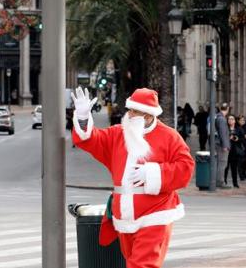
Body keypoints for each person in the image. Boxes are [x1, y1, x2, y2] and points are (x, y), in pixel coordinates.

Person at [71, 87, 194, 268]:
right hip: (124, 217)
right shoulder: (118, 133)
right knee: (131, 261)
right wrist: (82, 119)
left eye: (135, 111)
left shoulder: (169, 136)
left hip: (156, 214)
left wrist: (152, 173)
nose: (129, 114)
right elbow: (92, 140)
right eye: (129, 110)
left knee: (141, 265)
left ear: (148, 115)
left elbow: (186, 168)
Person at [224, 115, 245, 188]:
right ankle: (224, 181)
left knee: (234, 168)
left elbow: (243, 139)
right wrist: (228, 138)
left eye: (232, 119)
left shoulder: (239, 129)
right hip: (227, 150)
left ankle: (235, 183)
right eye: (229, 119)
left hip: (235, 151)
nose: (230, 120)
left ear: (235, 121)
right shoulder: (225, 129)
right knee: (225, 167)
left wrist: (237, 139)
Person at [215, 103, 231, 188]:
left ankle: (219, 181)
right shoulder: (221, 119)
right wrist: (225, 145)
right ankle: (220, 182)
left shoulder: (218, 117)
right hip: (221, 145)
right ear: (227, 109)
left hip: (219, 144)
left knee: (221, 163)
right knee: (222, 163)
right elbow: (222, 133)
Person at [237, 115, 246, 180]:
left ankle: (244, 171)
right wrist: (243, 137)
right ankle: (241, 174)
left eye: (244, 120)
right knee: (240, 160)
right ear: (238, 121)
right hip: (239, 146)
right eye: (241, 120)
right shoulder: (237, 128)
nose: (243, 121)